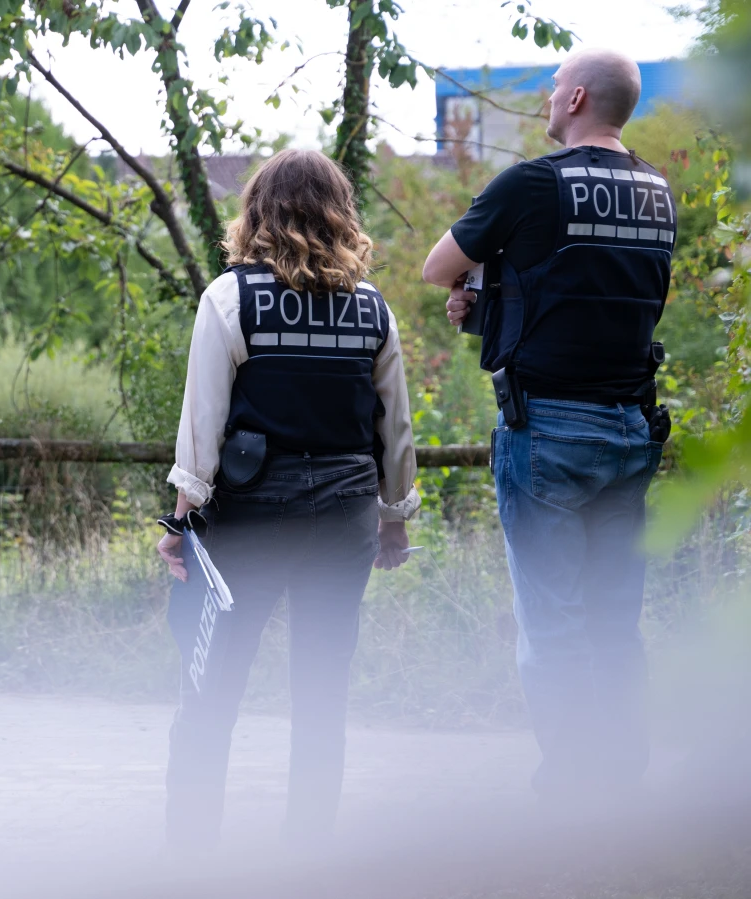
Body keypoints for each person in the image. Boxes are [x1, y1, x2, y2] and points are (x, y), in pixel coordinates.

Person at [421, 49, 673, 805]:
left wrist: (479, 285)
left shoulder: (532, 184)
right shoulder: (658, 192)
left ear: (577, 98)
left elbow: (437, 266)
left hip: (549, 433)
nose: (546, 97)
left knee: (552, 621)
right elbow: (590, 289)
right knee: (613, 617)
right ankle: (623, 775)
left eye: (554, 86)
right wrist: (499, 294)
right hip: (632, 427)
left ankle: (572, 789)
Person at [156, 148, 420, 858]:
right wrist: (394, 519)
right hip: (345, 517)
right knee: (322, 689)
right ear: (341, 214)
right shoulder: (372, 309)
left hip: (251, 519)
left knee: (212, 684)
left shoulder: (229, 299)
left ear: (258, 212)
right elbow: (394, 428)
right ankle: (307, 854)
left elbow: (202, 425)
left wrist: (181, 522)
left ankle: (189, 853)